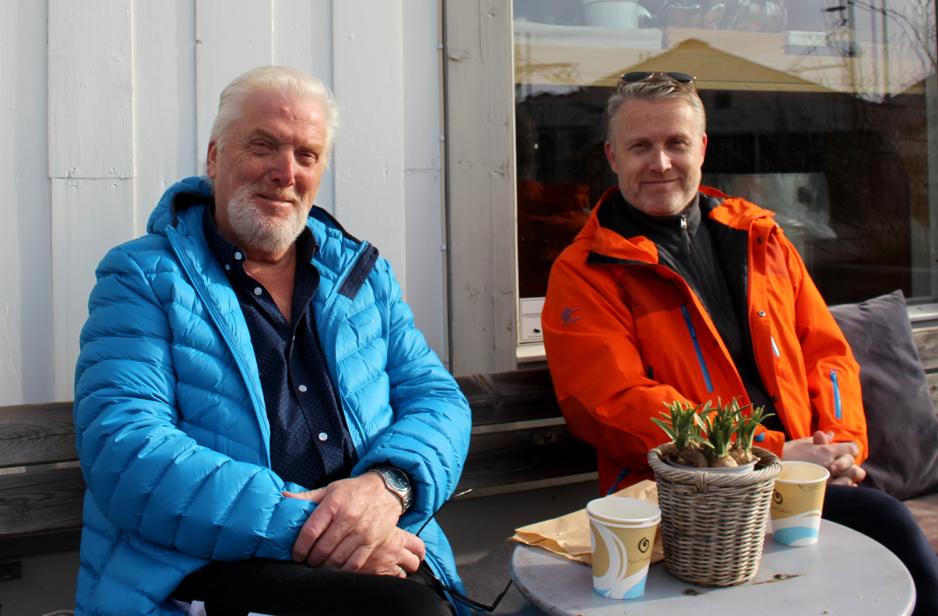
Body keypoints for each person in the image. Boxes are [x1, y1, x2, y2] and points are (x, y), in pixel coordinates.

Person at [73, 66, 470, 616]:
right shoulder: (142, 276)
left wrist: (390, 486)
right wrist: (324, 529)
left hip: (380, 545)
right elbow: (127, 451)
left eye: (306, 155)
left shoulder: (360, 276)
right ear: (215, 158)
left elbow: (437, 400)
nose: (286, 172)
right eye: (264, 146)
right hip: (200, 563)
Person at [541, 71, 938, 615]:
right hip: (686, 507)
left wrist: (839, 445)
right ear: (612, 155)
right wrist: (766, 455)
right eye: (640, 146)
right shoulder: (587, 271)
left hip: (801, 486)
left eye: (676, 143)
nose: (660, 163)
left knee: (899, 550)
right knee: (884, 530)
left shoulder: (760, 237)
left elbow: (827, 353)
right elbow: (613, 403)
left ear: (701, 147)